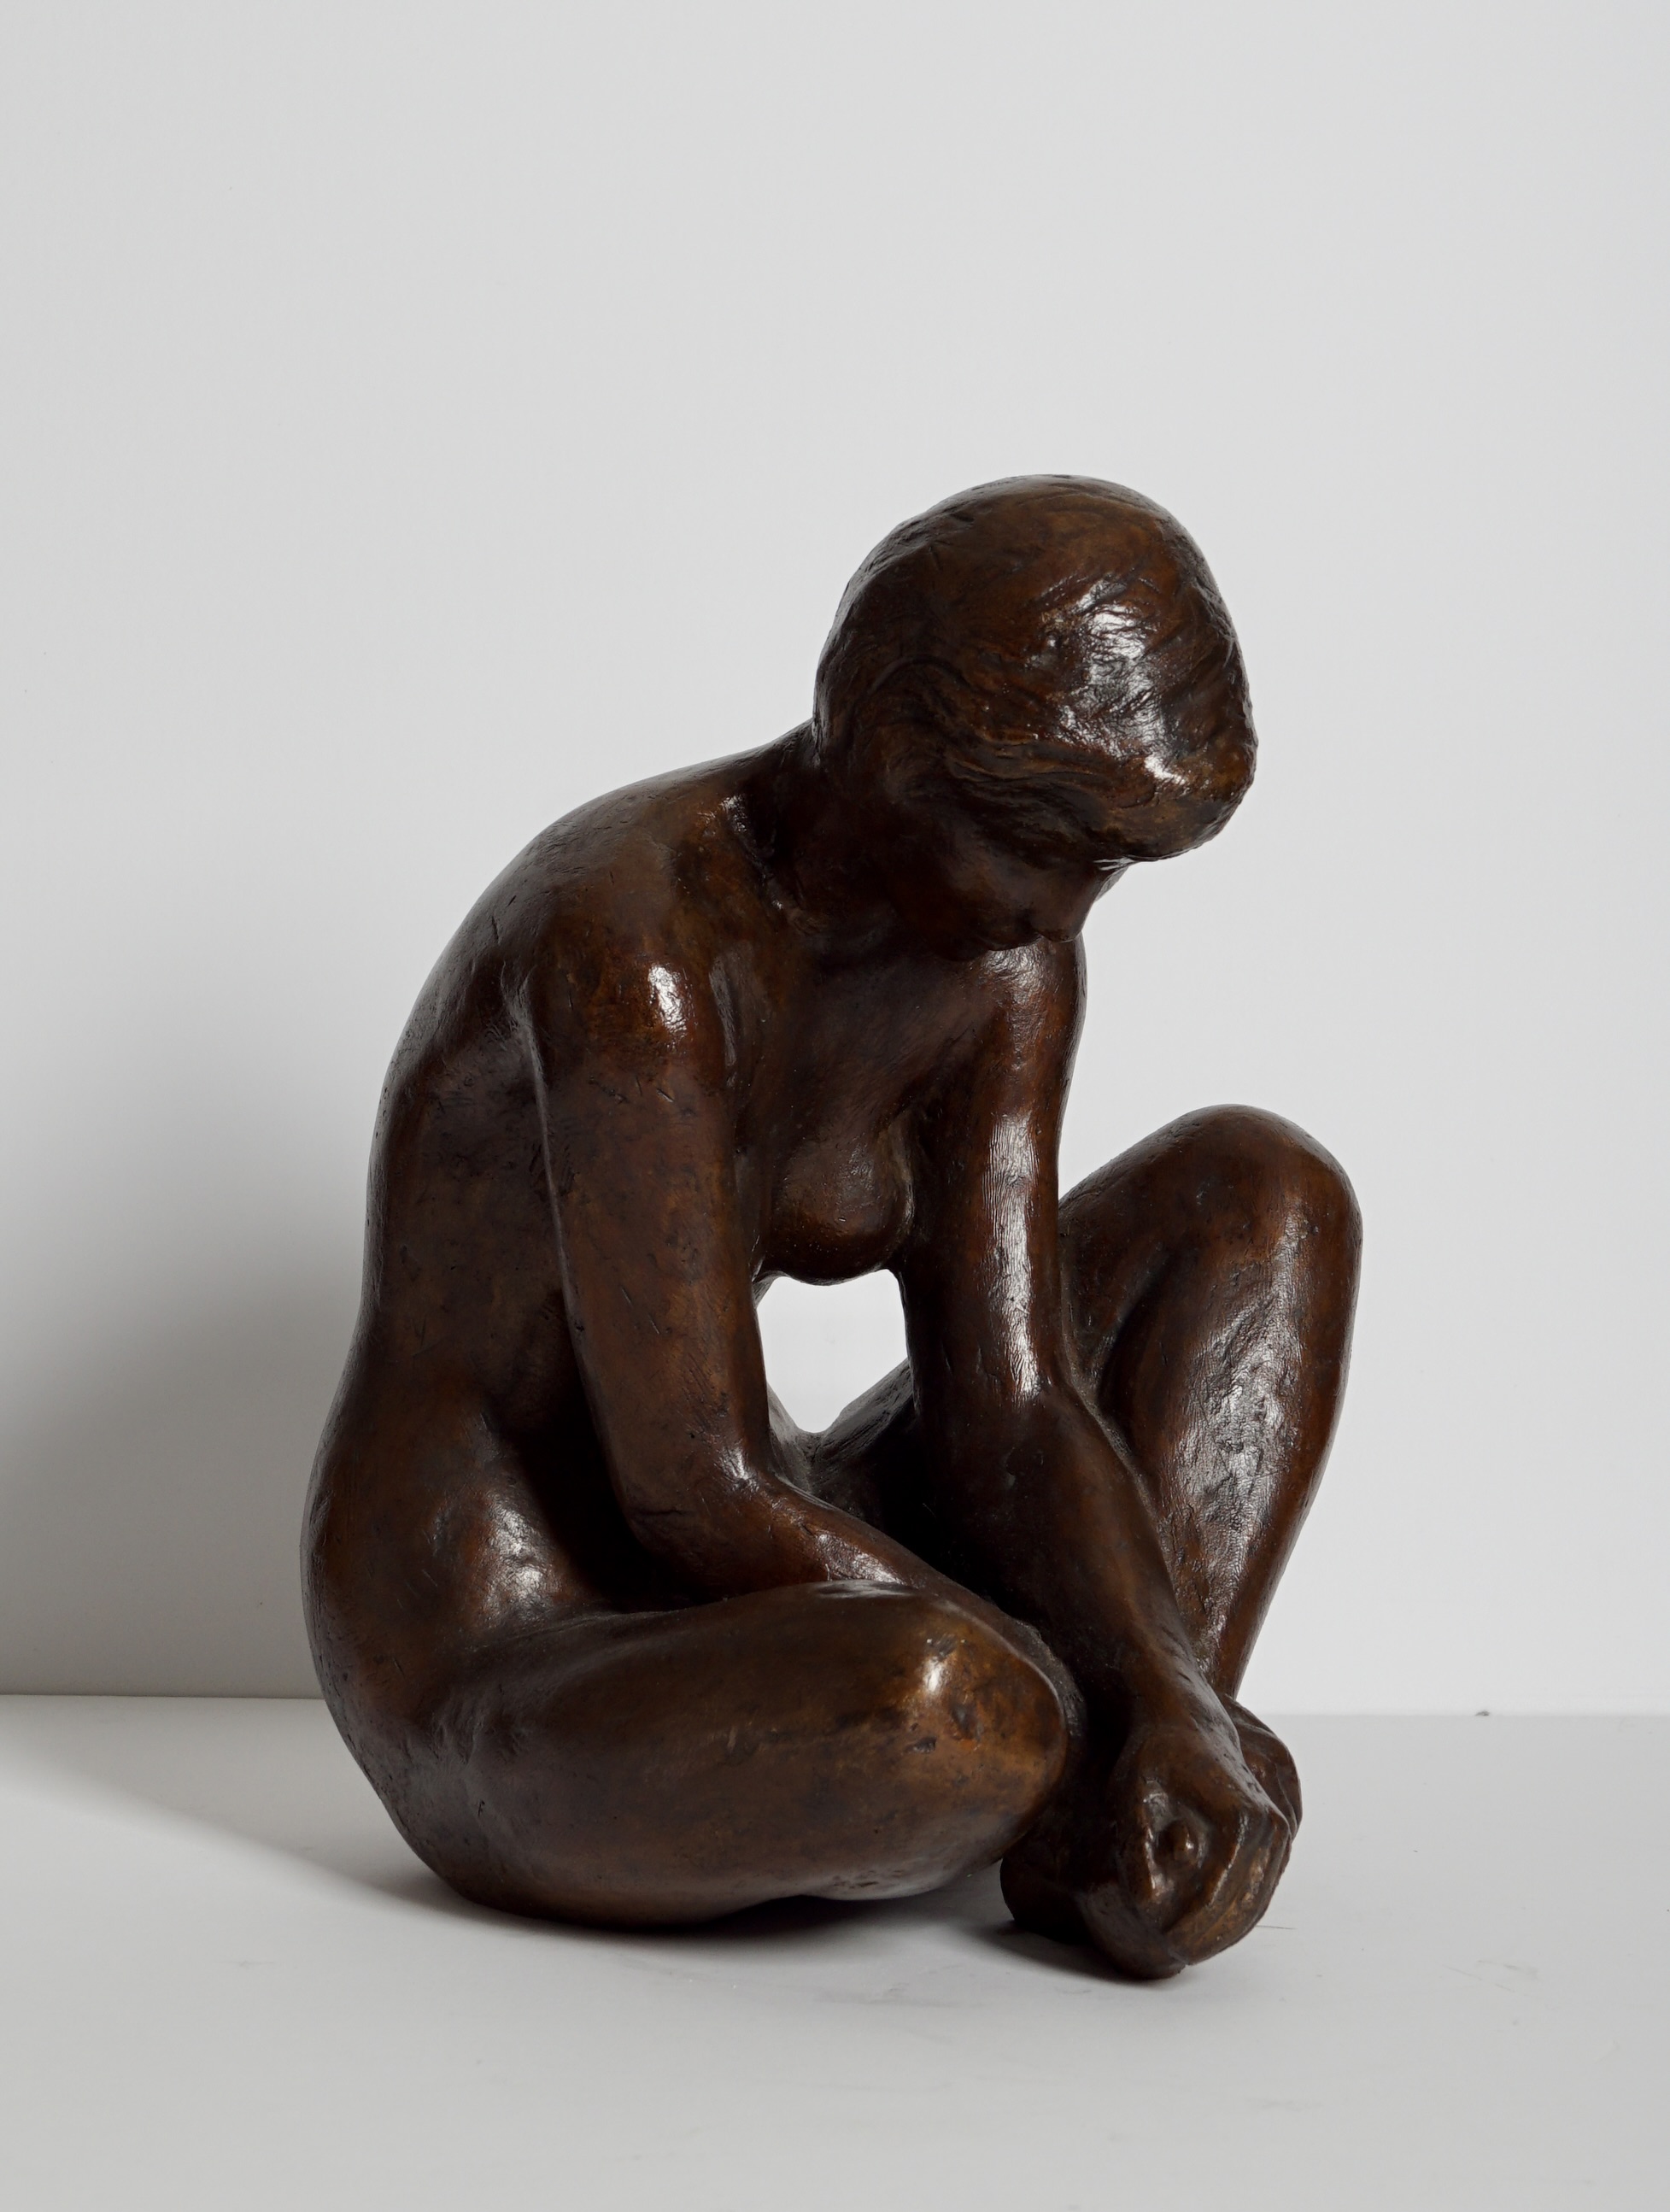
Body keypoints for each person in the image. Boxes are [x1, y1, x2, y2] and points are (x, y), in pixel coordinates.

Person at [304, 476, 1361, 1978]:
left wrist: (1168, 1691)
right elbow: (690, 1487)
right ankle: (1076, 1780)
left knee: (1265, 1199)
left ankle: (1139, 1803)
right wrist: (1076, 1697)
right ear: (903, 761)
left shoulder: (1004, 963)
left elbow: (1015, 1409)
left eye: (1111, 864)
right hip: (517, 1633)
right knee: (959, 1709)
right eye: (1047, 843)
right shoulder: (638, 945)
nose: (1069, 911)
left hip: (783, 1552)